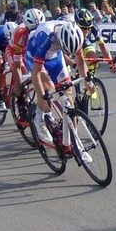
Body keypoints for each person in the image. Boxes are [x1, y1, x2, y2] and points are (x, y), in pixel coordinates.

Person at [25, 19, 90, 157]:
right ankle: (39, 119)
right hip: (34, 56)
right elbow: (36, 73)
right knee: (48, 88)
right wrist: (41, 96)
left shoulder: (75, 35)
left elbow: (80, 61)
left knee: (69, 101)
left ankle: (69, 141)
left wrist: (87, 81)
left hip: (56, 57)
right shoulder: (46, 36)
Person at [72, 9, 116, 76]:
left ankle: (91, 78)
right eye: (84, 28)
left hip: (84, 40)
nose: (87, 31)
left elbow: (102, 45)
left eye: (89, 28)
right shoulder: (71, 27)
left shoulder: (93, 25)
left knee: (93, 57)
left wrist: (110, 62)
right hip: (74, 41)